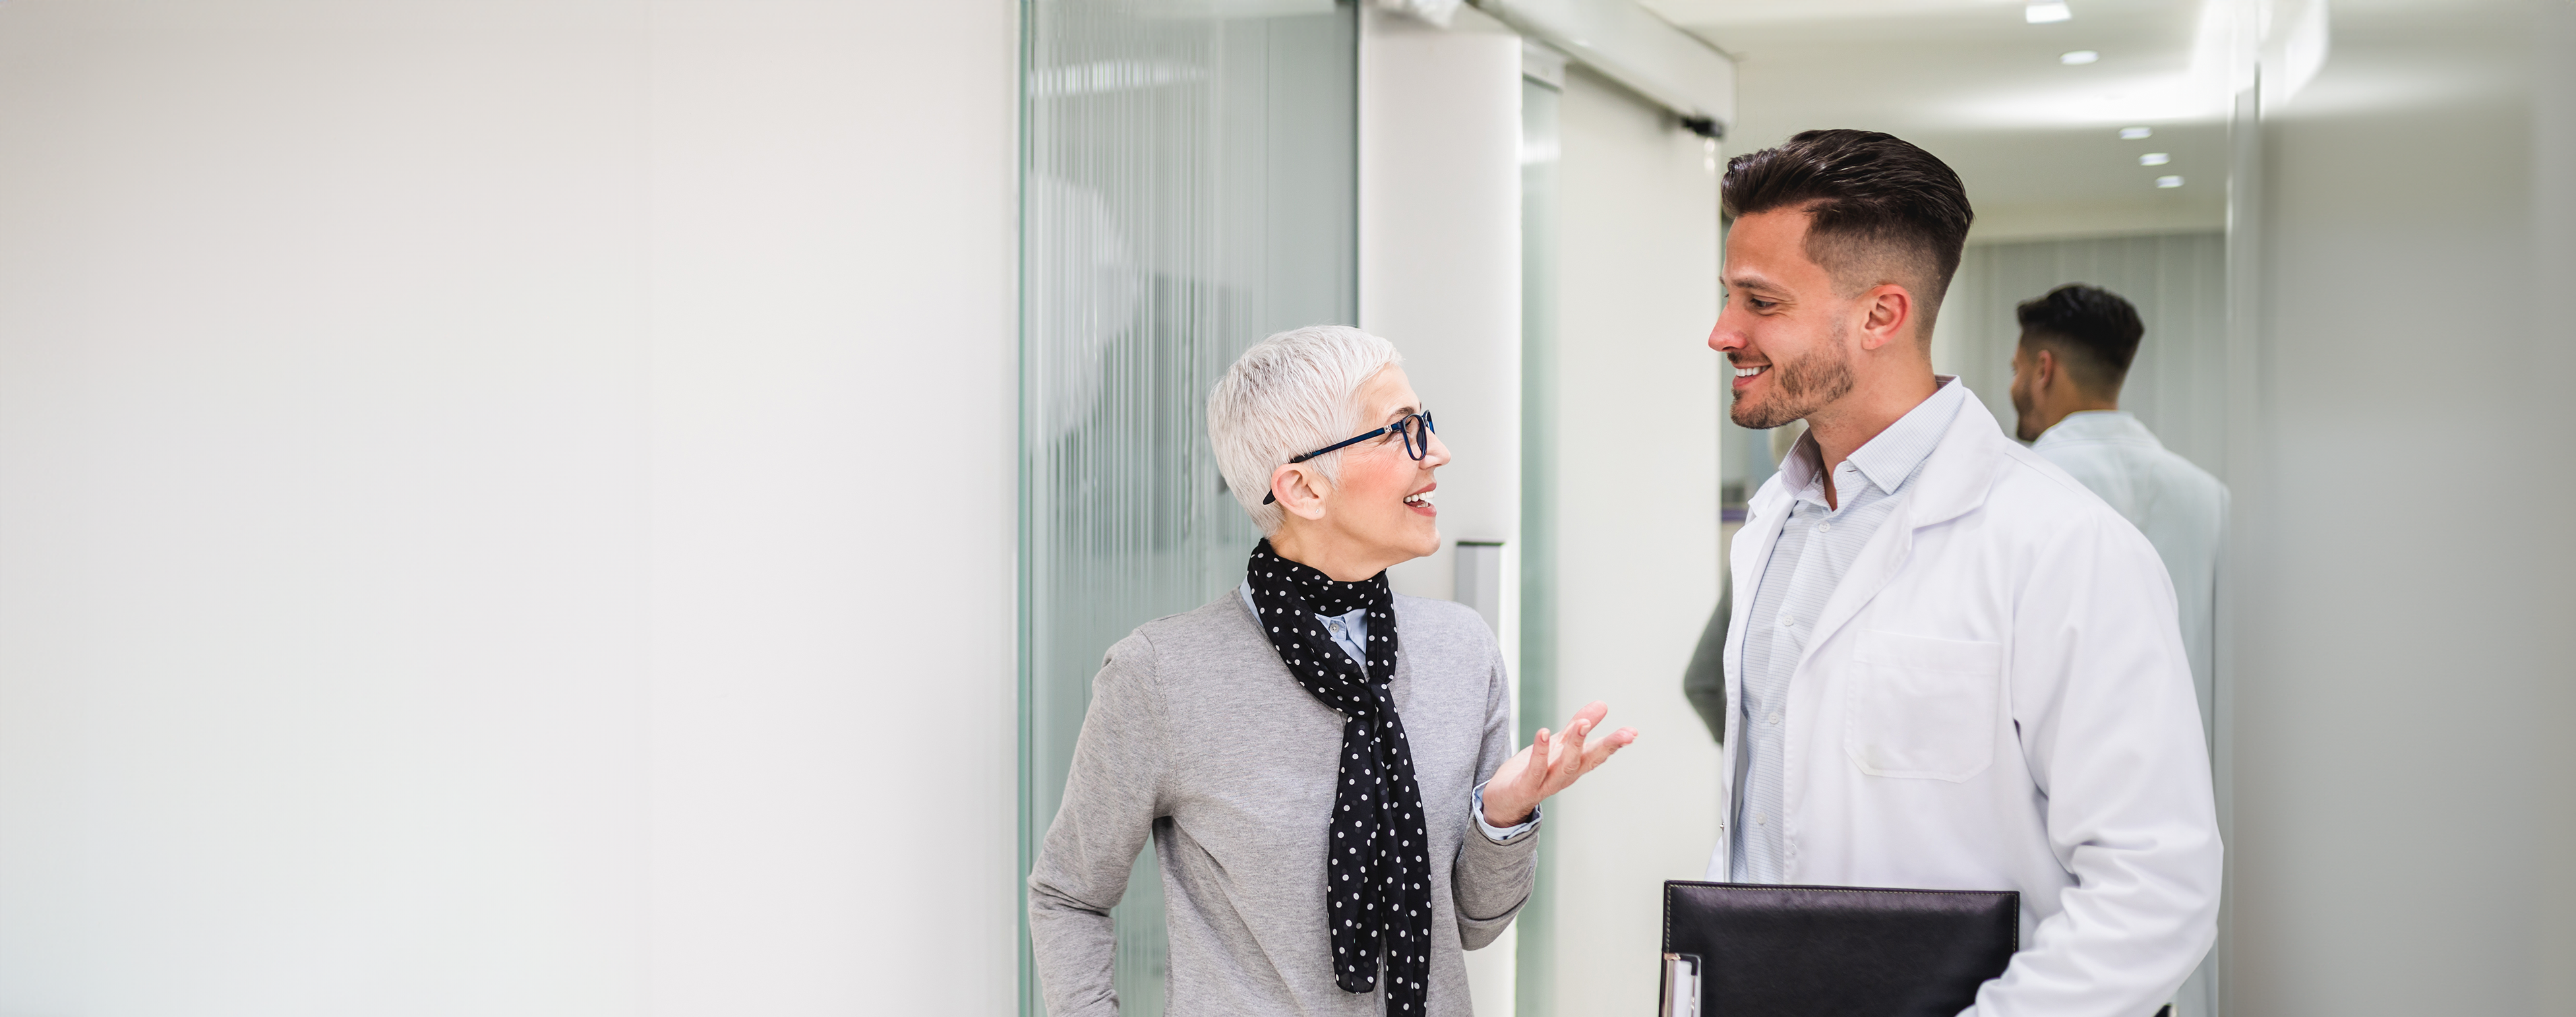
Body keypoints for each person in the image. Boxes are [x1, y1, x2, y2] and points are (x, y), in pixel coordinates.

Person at [1700, 130, 2220, 1016]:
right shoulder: (1771, 531)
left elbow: (2154, 885)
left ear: (1880, 314)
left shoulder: (2061, 546)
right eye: (1726, 296)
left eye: (1759, 301)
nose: (1722, 332)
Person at [1028, 325, 1636, 1016]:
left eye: (1425, 425)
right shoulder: (1161, 675)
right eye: (1399, 431)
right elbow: (1068, 895)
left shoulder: (1461, 650)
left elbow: (1473, 925)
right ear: (1302, 488)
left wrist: (1503, 816)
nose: (1437, 452)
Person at [2008, 284, 2227, 744]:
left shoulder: (2010, 491)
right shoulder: (2210, 499)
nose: (2013, 386)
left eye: (2016, 370)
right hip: (2189, 779)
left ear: (2043, 370)